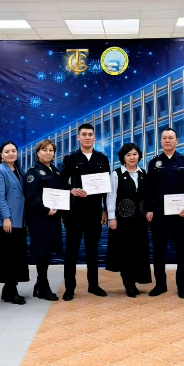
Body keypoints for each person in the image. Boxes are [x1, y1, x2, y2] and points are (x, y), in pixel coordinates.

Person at [146, 128, 184, 299]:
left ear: (177, 141)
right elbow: (149, 189)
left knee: (182, 251)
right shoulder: (154, 162)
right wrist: (149, 209)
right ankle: (160, 285)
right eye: (164, 138)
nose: (167, 140)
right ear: (161, 141)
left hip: (180, 215)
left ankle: (182, 286)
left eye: (171, 138)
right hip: (159, 215)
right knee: (159, 251)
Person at [60, 123, 110, 301]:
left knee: (93, 251)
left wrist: (106, 210)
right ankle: (69, 288)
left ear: (94, 138)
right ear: (78, 137)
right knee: (71, 252)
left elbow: (106, 187)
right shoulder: (70, 158)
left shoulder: (102, 159)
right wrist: (71, 190)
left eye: (90, 134)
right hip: (74, 212)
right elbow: (61, 182)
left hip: (94, 212)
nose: (87, 137)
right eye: (84, 134)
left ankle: (93, 285)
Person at [106, 143, 152, 297]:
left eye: (135, 154)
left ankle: (136, 280)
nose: (132, 157)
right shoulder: (116, 174)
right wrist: (112, 217)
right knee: (126, 252)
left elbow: (147, 196)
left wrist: (149, 211)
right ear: (123, 157)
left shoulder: (143, 173)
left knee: (139, 251)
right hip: (123, 221)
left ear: (139, 156)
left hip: (140, 220)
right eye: (128, 155)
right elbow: (111, 197)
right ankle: (128, 283)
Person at [24, 140, 64, 301]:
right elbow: (32, 197)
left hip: (53, 218)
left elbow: (62, 189)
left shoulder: (56, 171)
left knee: (47, 252)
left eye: (51, 150)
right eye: (44, 150)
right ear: (38, 153)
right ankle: (43, 287)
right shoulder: (33, 173)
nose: (48, 153)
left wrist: (73, 190)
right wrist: (46, 210)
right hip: (39, 219)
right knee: (42, 252)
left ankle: (39, 284)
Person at [0, 141, 30, 305]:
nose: (11, 154)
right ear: (1, 154)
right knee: (9, 257)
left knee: (17, 256)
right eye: (7, 151)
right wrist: (6, 217)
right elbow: (0, 197)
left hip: (19, 220)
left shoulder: (19, 170)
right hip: (7, 221)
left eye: (13, 150)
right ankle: (11, 290)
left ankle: (8, 290)